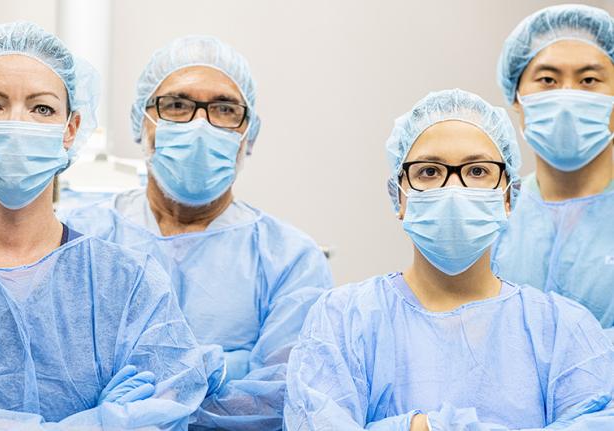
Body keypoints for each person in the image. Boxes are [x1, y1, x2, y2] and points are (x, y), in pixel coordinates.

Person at [283, 89, 614, 430]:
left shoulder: (563, 329)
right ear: (400, 196)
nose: (454, 189)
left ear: (508, 196)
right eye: (428, 171)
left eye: (477, 171)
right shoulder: (343, 320)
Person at [60, 35, 333, 430]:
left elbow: (281, 396)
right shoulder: (79, 237)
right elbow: (54, 377)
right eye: (177, 105)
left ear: (247, 133)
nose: (200, 124)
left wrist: (137, 409)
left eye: (224, 109)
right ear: (143, 121)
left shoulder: (290, 259)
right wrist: (219, 373)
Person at [0, 22, 214, 430]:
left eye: (41, 108)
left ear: (71, 129)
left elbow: (163, 409)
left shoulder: (128, 283)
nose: (17, 123)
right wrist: (97, 422)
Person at [491, 4, 614, 331]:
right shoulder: (490, 219)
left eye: (589, 80)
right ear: (517, 97)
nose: (567, 98)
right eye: (547, 79)